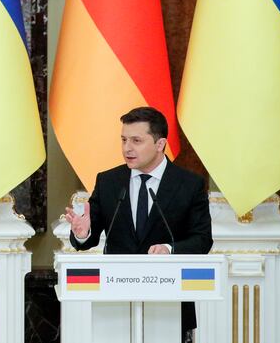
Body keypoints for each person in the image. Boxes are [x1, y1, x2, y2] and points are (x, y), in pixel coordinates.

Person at [65, 106, 212, 341]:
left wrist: (170, 249)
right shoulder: (109, 181)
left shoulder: (189, 184)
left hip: (169, 303)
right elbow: (87, 240)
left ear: (160, 144)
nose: (127, 148)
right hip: (115, 306)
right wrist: (83, 233)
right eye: (123, 140)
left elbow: (202, 239)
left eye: (136, 140)